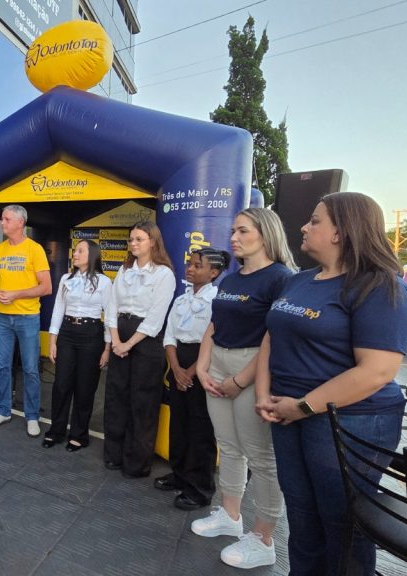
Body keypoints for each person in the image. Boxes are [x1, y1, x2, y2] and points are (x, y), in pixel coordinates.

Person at [257, 192, 407, 575]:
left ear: (340, 232)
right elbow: (271, 337)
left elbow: (376, 371)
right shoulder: (298, 280)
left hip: (349, 422)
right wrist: (264, 394)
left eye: (315, 220)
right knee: (301, 513)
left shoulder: (380, 287)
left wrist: (303, 406)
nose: (304, 226)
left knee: (344, 523)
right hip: (287, 414)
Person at [192, 207, 295, 570]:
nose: (233, 237)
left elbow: (274, 337)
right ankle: (230, 515)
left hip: (253, 367)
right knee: (229, 446)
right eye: (233, 231)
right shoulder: (231, 279)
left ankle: (263, 538)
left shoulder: (281, 278)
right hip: (218, 362)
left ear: (266, 234)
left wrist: (241, 380)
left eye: (242, 231)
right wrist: (202, 366)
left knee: (261, 456)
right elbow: (214, 325)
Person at [156, 247, 229, 510]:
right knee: (179, 423)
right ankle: (179, 474)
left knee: (201, 428)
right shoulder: (181, 300)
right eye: (190, 263)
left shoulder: (217, 301)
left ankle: (200, 488)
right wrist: (176, 368)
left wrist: (192, 371)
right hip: (179, 361)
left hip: (204, 364)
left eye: (198, 265)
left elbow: (215, 340)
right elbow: (169, 336)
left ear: (214, 272)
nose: (190, 269)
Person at [104, 220, 176, 478]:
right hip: (120, 334)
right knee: (116, 396)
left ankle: (137, 463)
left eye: (138, 239)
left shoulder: (164, 274)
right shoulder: (124, 270)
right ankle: (113, 454)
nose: (133, 244)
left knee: (143, 401)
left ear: (152, 242)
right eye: (131, 239)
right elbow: (111, 306)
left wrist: (128, 344)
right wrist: (115, 341)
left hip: (146, 340)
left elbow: (155, 319)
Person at [0, 205, 52, 436]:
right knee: (2, 365)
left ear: (20, 222)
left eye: (6, 219)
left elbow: (46, 287)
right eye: (2, 219)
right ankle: (3, 410)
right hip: (1, 316)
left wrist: (16, 294)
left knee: (31, 368)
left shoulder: (35, 249)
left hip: (27, 317)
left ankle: (32, 416)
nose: (2, 223)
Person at [43, 239, 112, 451]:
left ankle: (79, 435)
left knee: (85, 387)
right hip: (67, 333)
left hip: (91, 335)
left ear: (92, 255)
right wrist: (52, 341)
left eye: (80, 251)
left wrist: (107, 348)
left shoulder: (104, 282)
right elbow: (58, 310)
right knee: (61, 385)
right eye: (75, 250)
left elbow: (110, 316)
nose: (75, 254)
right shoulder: (66, 278)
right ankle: (56, 430)